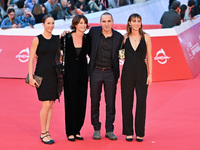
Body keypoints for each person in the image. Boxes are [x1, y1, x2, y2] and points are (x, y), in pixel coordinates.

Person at [89, 12, 123, 140]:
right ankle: (96, 128)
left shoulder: (119, 37)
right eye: (104, 21)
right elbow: (81, 39)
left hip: (110, 73)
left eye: (109, 21)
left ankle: (109, 129)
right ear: (100, 22)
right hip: (96, 71)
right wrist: (66, 35)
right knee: (94, 101)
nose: (106, 24)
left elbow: (125, 52)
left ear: (113, 22)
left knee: (110, 102)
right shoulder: (94, 32)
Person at [28, 14, 60, 144]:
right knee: (45, 104)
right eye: (48, 23)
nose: (51, 25)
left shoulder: (56, 39)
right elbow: (31, 59)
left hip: (54, 74)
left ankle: (47, 131)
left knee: (51, 104)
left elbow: (59, 56)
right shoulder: (37, 39)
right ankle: (43, 133)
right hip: (41, 74)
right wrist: (30, 77)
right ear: (43, 24)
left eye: (52, 23)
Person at [121, 13, 152, 142]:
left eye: (138, 21)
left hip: (142, 73)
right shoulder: (124, 38)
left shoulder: (146, 37)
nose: (136, 23)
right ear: (129, 23)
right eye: (134, 21)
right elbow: (120, 55)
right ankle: (128, 132)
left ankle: (140, 132)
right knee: (126, 103)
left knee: (141, 103)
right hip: (127, 73)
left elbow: (149, 56)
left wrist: (150, 74)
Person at [61, 15, 90, 141]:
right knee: (70, 103)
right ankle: (70, 131)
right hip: (69, 76)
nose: (83, 25)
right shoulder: (66, 38)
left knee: (81, 103)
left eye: (84, 23)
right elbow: (54, 50)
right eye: (80, 23)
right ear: (75, 24)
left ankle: (77, 130)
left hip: (83, 76)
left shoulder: (87, 38)